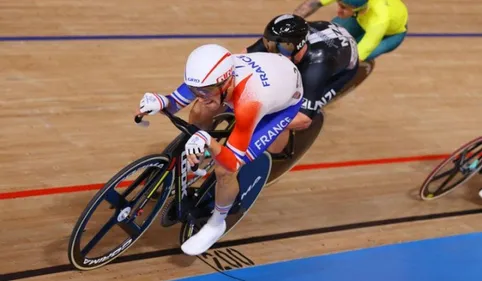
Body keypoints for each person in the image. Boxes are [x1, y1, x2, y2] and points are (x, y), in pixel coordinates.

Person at [136, 43, 303, 255]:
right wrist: (161, 101)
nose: (200, 93)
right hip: (267, 74)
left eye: (205, 91)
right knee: (200, 109)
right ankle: (199, 153)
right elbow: (176, 102)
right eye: (195, 89)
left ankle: (216, 223)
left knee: (225, 171)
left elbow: (232, 162)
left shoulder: (250, 102)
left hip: (281, 104)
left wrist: (209, 141)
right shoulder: (208, 77)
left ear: (225, 82)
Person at [244, 14, 359, 129]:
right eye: (269, 45)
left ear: (298, 45)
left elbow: (304, 119)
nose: (273, 51)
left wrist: (257, 121)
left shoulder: (318, 65)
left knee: (295, 108)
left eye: (280, 49)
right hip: (326, 39)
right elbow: (242, 58)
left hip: (342, 70)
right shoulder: (280, 40)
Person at [293, 0, 409, 61]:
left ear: (361, 10)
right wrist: (291, 21)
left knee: (353, 57)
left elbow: (357, 56)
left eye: (343, 8)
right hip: (362, 20)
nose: (338, 11)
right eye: (338, 4)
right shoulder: (357, 7)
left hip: (391, 35)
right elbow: (314, 3)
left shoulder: (380, 19)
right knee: (330, 33)